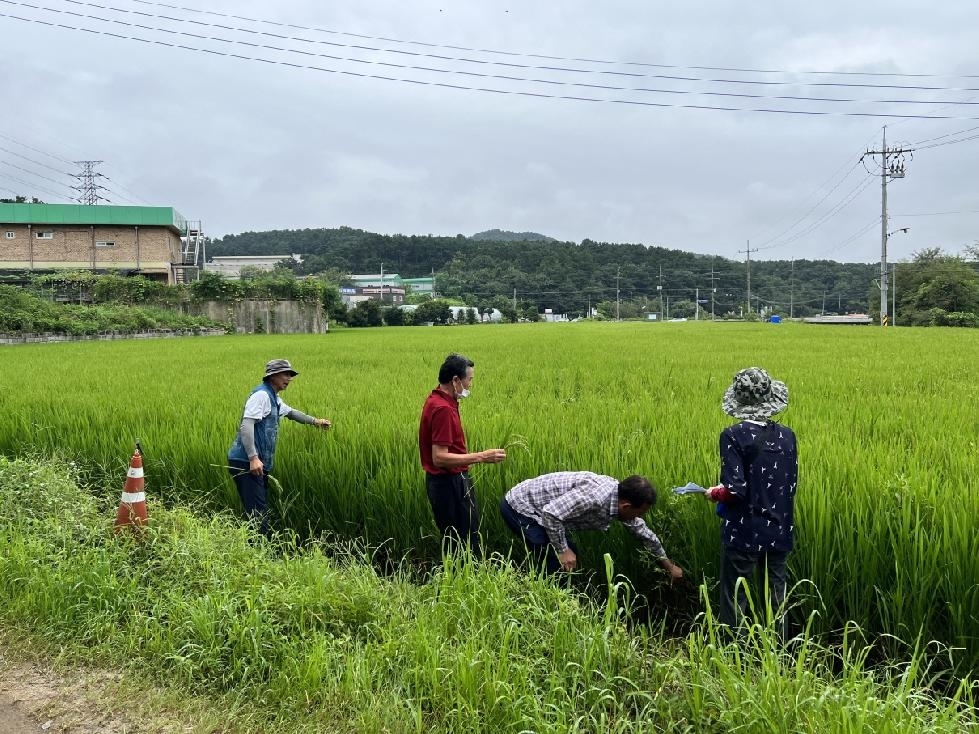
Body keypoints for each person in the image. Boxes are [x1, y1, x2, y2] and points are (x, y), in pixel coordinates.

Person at [705, 366, 798, 640]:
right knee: (777, 595)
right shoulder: (788, 436)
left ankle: (734, 656)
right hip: (780, 529)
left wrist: (714, 493)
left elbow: (735, 490)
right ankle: (779, 654)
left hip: (744, 533)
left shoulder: (733, 436)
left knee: (736, 595)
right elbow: (790, 483)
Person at [500, 471, 684, 580]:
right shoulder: (595, 497)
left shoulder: (618, 499)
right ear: (626, 506)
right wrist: (562, 550)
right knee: (556, 558)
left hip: (543, 511)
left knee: (569, 554)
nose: (639, 518)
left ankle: (560, 595)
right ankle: (551, 605)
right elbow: (551, 514)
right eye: (639, 513)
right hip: (521, 507)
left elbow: (643, 533)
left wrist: (668, 566)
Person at [227, 359, 331, 536]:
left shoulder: (273, 397)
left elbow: (291, 413)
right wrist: (253, 458)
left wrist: (315, 422)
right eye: (285, 374)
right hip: (246, 462)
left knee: (258, 508)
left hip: (256, 463)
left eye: (290, 375)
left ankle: (256, 547)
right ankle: (258, 552)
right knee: (257, 514)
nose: (289, 378)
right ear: (272, 376)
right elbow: (247, 425)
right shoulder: (261, 395)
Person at [419, 353, 506, 557]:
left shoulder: (437, 400)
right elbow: (439, 457)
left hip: (444, 483)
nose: (470, 384)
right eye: (470, 379)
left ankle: (457, 581)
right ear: (456, 380)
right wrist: (483, 457)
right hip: (449, 484)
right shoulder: (443, 409)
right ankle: (464, 582)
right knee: (465, 542)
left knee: (455, 541)